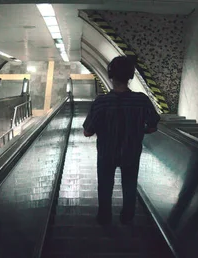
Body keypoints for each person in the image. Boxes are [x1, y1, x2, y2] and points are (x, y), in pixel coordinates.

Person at [83, 56, 161, 225]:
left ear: (110, 75)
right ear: (131, 76)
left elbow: (87, 132)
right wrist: (138, 130)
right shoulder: (141, 100)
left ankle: (104, 217)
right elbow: (153, 126)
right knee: (130, 184)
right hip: (131, 152)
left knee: (105, 186)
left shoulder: (101, 102)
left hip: (106, 153)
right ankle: (127, 217)